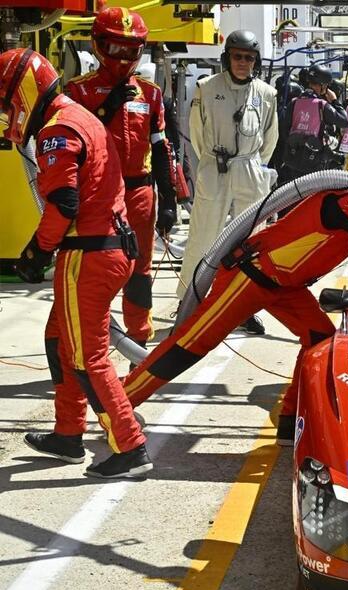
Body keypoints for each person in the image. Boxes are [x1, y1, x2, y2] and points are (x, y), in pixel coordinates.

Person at [121, 139, 348, 445]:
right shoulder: (346, 201)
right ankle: (119, 402)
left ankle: (290, 420)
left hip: (284, 285)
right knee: (190, 344)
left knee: (319, 338)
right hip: (251, 277)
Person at [2, 48, 150, 478]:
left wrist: (35, 252)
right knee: (59, 336)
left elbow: (63, 204)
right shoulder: (81, 114)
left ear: (23, 92)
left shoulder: (56, 129)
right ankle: (68, 434)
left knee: (88, 357)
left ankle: (130, 446)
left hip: (88, 254)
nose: (9, 112)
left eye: (8, 102)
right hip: (109, 247)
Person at [65, 8, 185, 351]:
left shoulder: (151, 94)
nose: (122, 57)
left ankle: (138, 342)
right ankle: (91, 346)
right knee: (96, 272)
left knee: (140, 272)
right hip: (97, 199)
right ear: (98, 44)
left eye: (130, 50)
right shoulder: (78, 93)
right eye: (115, 48)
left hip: (139, 194)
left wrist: (170, 199)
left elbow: (163, 150)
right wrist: (106, 109)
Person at [179, 29, 278, 335]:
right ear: (227, 58)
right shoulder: (206, 88)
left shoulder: (266, 94)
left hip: (249, 170)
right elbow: (196, 135)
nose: (242, 63)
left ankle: (244, 308)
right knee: (202, 238)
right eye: (237, 56)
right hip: (215, 168)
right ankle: (188, 303)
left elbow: (270, 139)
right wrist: (212, 163)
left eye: (249, 58)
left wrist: (251, 165)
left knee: (251, 243)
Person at [280, 63, 348, 179]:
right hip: (314, 163)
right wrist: (334, 101)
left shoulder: (294, 102)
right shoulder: (322, 105)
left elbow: (285, 130)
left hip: (293, 160)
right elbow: (344, 121)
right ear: (322, 85)